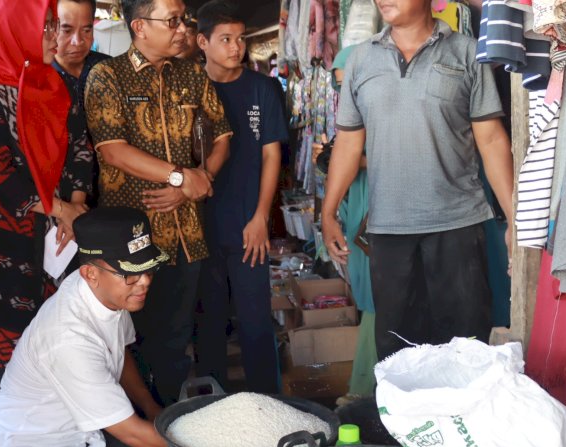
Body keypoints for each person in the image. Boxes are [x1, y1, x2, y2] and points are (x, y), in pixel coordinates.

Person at [320, 0, 514, 361]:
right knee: (398, 356)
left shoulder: (468, 53)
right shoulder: (360, 60)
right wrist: (328, 211)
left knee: (465, 350)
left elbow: (491, 140)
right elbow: (348, 142)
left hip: (457, 227)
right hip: (388, 233)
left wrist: (514, 218)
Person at [0, 0, 91, 447]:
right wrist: (60, 210)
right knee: (6, 354)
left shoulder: (51, 84)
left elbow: (80, 149)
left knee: (57, 347)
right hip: (4, 248)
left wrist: (74, 203)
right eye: (47, 26)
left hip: (56, 240)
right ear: (15, 28)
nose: (56, 37)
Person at [85, 0, 232, 406]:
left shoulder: (192, 75)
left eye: (183, 19)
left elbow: (221, 136)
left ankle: (167, 426)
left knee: (176, 338)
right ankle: (133, 428)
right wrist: (180, 176)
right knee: (128, 341)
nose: (182, 28)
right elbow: (112, 150)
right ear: (140, 27)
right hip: (132, 243)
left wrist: (196, 184)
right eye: (172, 20)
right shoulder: (107, 76)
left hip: (188, 235)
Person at [0, 207, 172, 447]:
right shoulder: (68, 336)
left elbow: (118, 350)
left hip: (82, 437)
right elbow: (131, 432)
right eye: (131, 274)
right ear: (90, 273)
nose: (144, 282)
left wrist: (151, 408)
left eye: (149, 269)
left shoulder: (107, 294)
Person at [193, 0, 286, 394]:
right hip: (200, 227)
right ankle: (214, 415)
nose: (235, 48)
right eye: (225, 39)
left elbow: (272, 154)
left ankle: (269, 406)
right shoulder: (191, 88)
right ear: (202, 42)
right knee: (209, 324)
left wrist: (261, 216)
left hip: (249, 225)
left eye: (240, 39)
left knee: (255, 323)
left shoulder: (263, 88)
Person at [53, 0, 110, 208]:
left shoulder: (108, 70)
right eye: (66, 31)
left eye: (86, 31)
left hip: (108, 193)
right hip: (58, 200)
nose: (78, 41)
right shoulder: (37, 79)